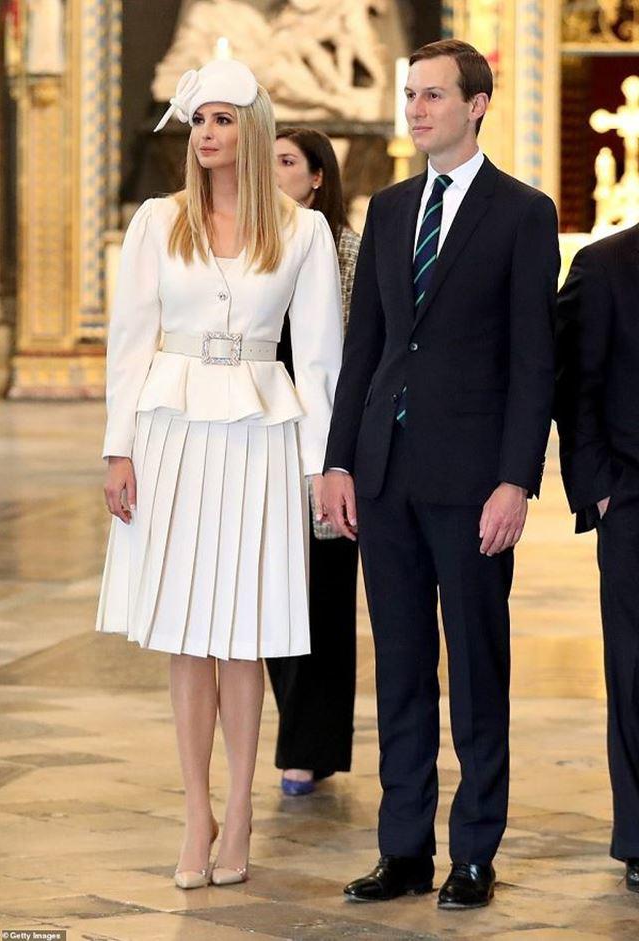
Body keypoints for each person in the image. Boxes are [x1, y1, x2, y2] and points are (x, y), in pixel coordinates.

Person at [322, 39, 559, 909]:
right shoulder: (389, 208)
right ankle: (404, 849)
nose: (416, 109)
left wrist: (516, 480)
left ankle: (474, 853)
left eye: (432, 95)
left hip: (472, 483)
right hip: (384, 475)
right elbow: (365, 347)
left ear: (477, 104)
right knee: (401, 668)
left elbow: (535, 361)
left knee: (478, 670)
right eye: (411, 95)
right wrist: (338, 458)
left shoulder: (523, 213)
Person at [95, 59, 343, 890]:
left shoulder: (302, 231)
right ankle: (195, 810)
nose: (205, 133)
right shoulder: (157, 221)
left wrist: (322, 469)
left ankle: (239, 809)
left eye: (222, 119)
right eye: (198, 120)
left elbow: (320, 361)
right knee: (185, 630)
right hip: (170, 431)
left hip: (261, 437)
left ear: (254, 128)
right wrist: (118, 448)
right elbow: (130, 340)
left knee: (244, 629)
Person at [266, 128, 360, 797]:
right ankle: (304, 737)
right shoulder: (253, 246)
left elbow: (351, 354)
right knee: (268, 593)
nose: (273, 172)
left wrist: (341, 455)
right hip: (259, 440)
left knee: (323, 597)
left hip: (324, 441)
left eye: (287, 162)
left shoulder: (345, 248)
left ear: (318, 176)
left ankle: (308, 746)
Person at [555, 226, 639, 895]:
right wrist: (603, 489)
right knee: (636, 670)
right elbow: (572, 385)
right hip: (635, 497)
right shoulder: (604, 264)